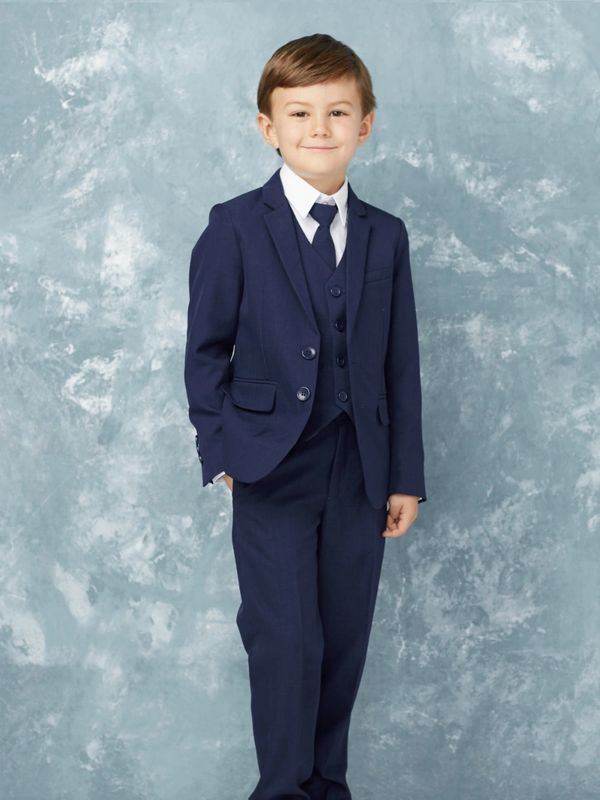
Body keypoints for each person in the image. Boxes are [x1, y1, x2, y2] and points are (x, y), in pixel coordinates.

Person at [184, 32, 427, 800]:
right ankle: (282, 790)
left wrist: (405, 479)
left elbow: (400, 365)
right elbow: (205, 350)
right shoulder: (235, 225)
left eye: (337, 112)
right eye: (299, 114)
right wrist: (222, 448)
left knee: (342, 642)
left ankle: (327, 788)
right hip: (270, 466)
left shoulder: (386, 235)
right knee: (286, 638)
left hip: (361, 471)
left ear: (366, 123)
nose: (319, 129)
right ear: (268, 127)